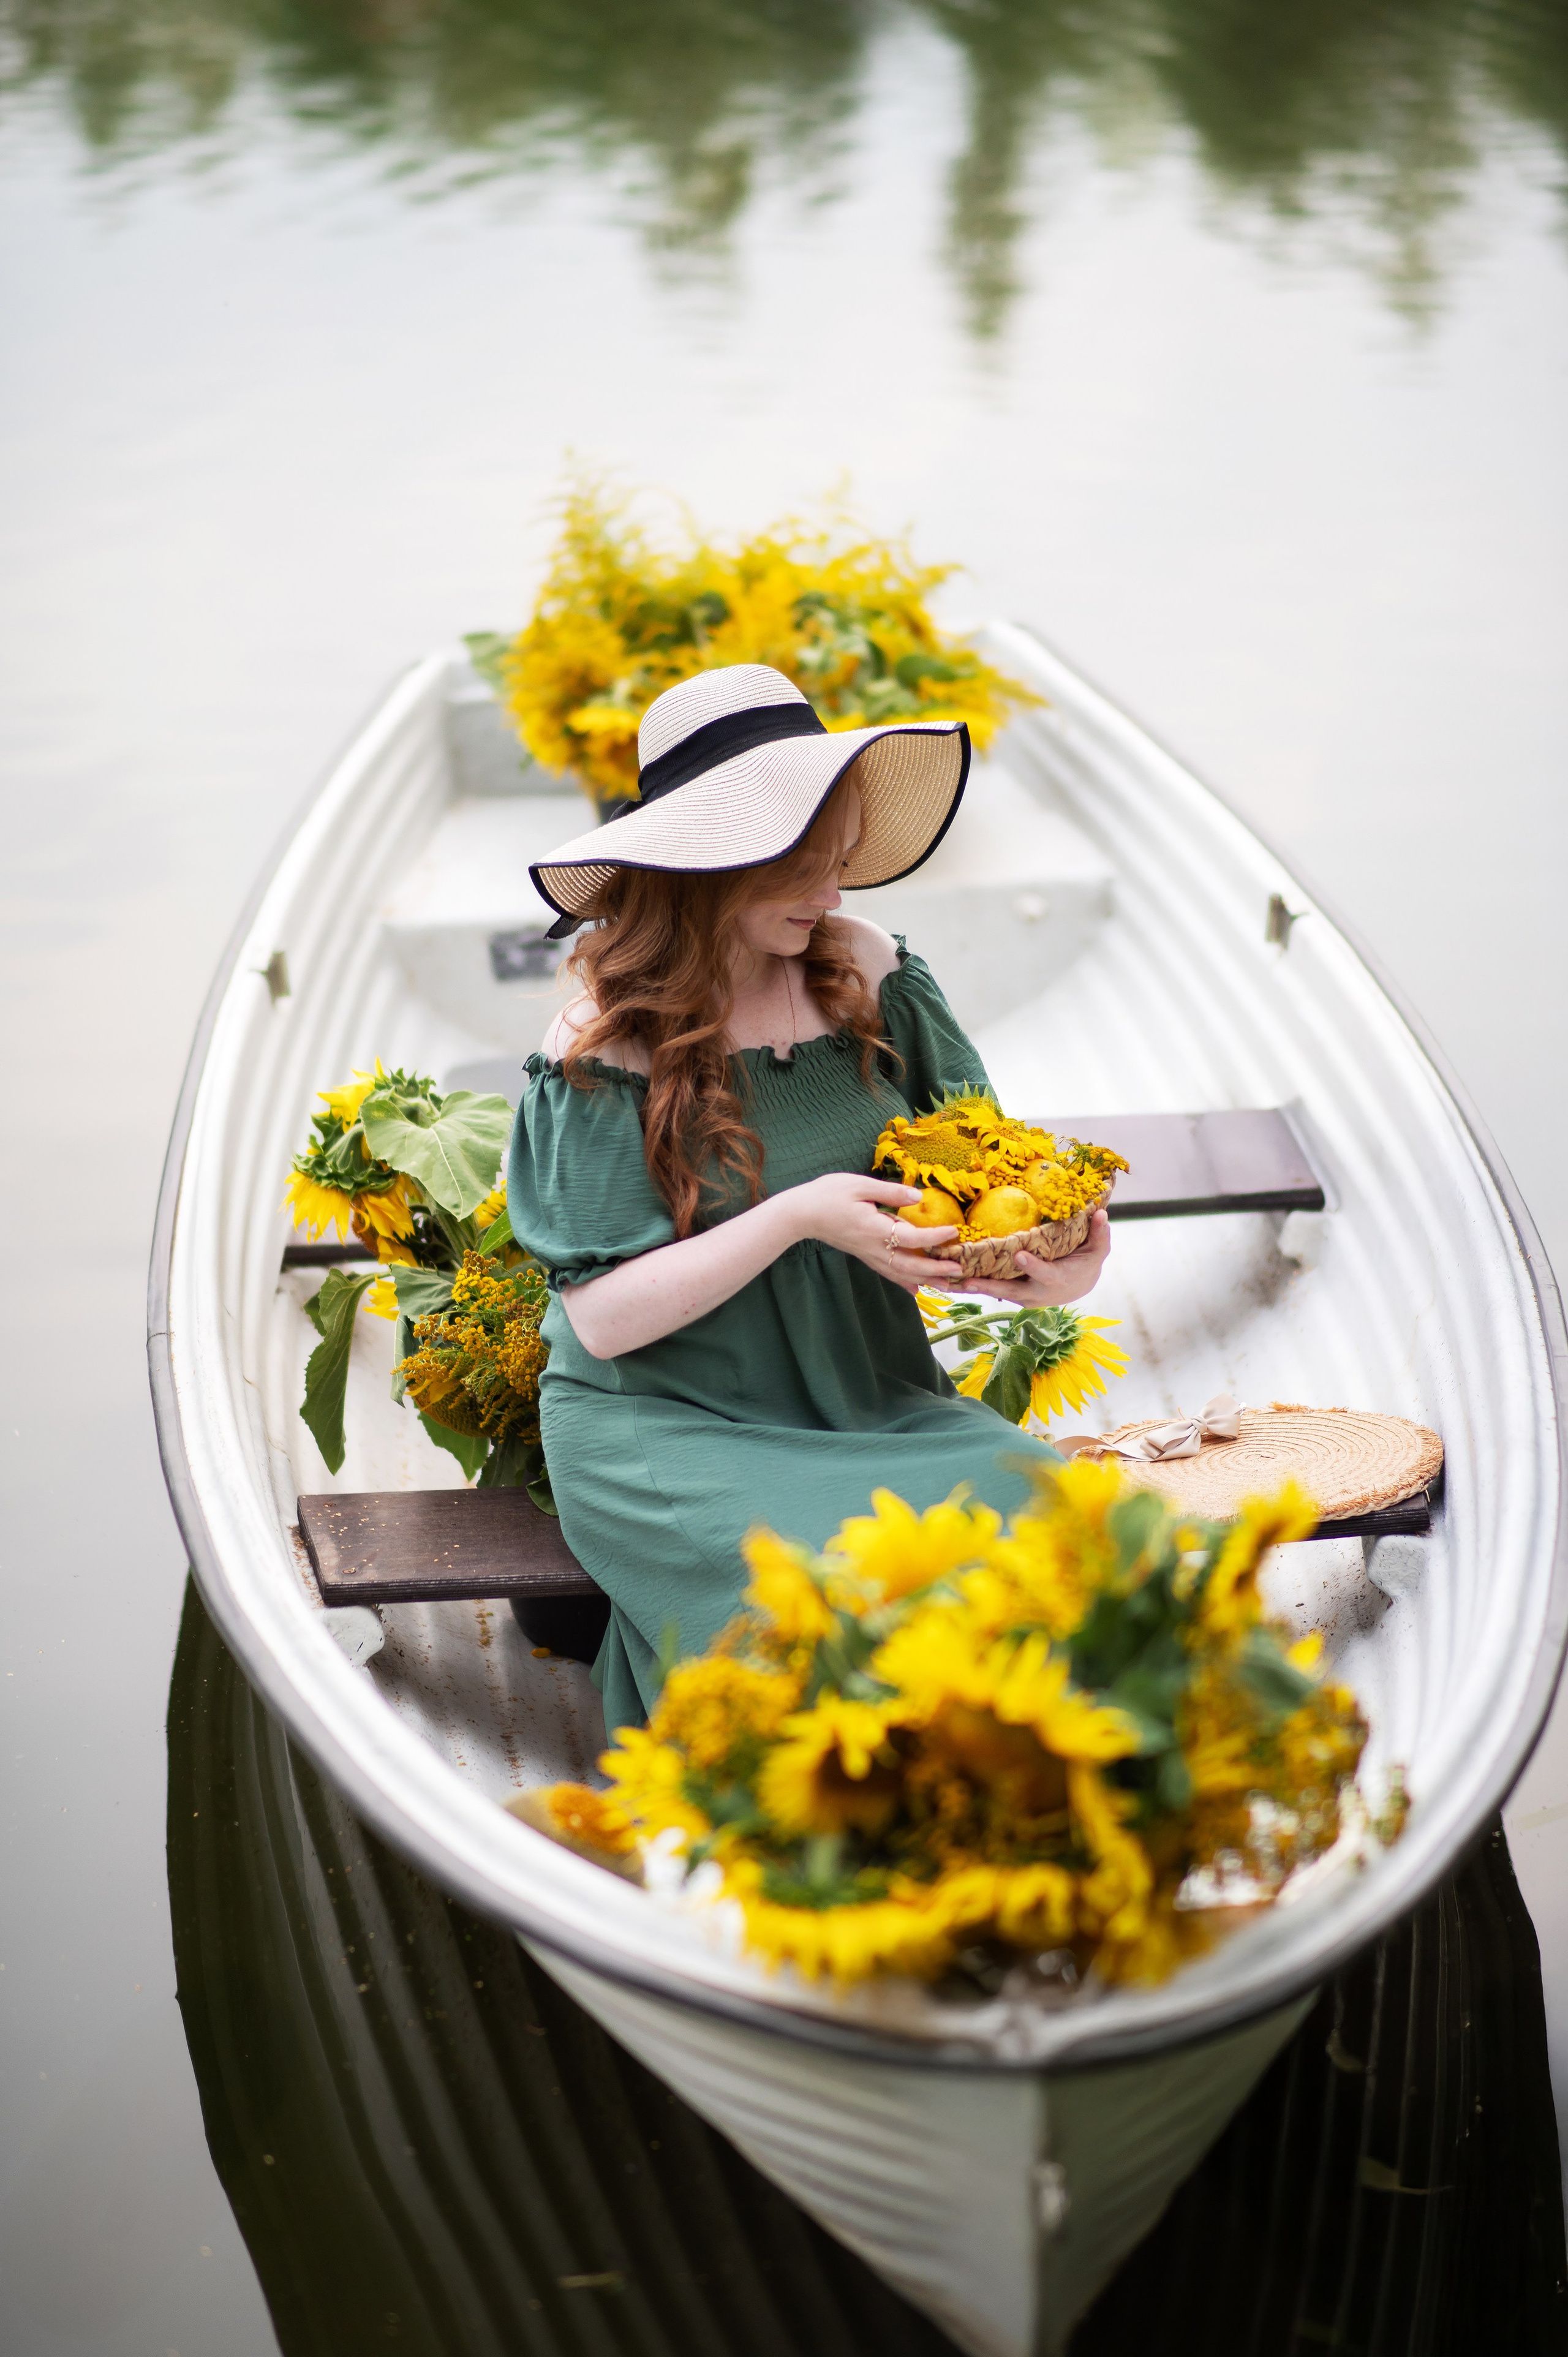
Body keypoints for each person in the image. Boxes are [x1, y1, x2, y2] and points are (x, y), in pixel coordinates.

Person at [507, 662, 1110, 1732]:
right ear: (709, 865)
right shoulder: (604, 1041)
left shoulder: (872, 972)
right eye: (806, 871)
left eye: (841, 864)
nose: (836, 897)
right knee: (830, 1639)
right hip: (666, 1425)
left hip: (872, 1401)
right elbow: (599, 1317)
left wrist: (1058, 1272)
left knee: (1078, 1556)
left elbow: (984, 1190)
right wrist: (794, 1216)